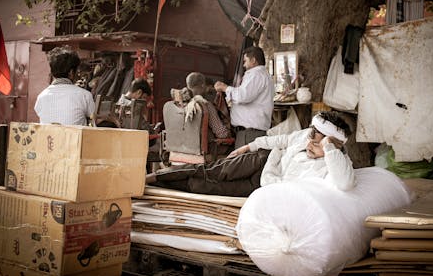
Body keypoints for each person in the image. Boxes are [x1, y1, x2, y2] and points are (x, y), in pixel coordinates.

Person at [146, 111, 356, 196]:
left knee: (210, 187)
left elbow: (345, 183)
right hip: (262, 161)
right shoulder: (305, 136)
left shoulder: (334, 163)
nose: (310, 142)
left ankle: (163, 184)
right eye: (312, 135)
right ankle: (157, 176)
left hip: (263, 186)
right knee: (213, 171)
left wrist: (327, 147)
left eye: (318, 140)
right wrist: (248, 147)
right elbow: (280, 140)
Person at [214, 46, 275, 148]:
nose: (244, 65)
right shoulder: (261, 75)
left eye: (245, 61)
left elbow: (243, 96)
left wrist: (225, 88)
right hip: (249, 133)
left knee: (245, 163)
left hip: (250, 134)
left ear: (254, 60)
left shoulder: (256, 74)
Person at [34, 45, 95, 126]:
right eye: (77, 71)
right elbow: (93, 119)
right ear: (71, 73)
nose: (78, 74)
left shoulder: (41, 96)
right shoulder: (84, 95)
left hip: (48, 138)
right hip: (74, 138)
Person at [185, 72, 231, 139]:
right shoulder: (206, 105)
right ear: (203, 85)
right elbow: (222, 134)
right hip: (207, 147)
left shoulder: (182, 104)